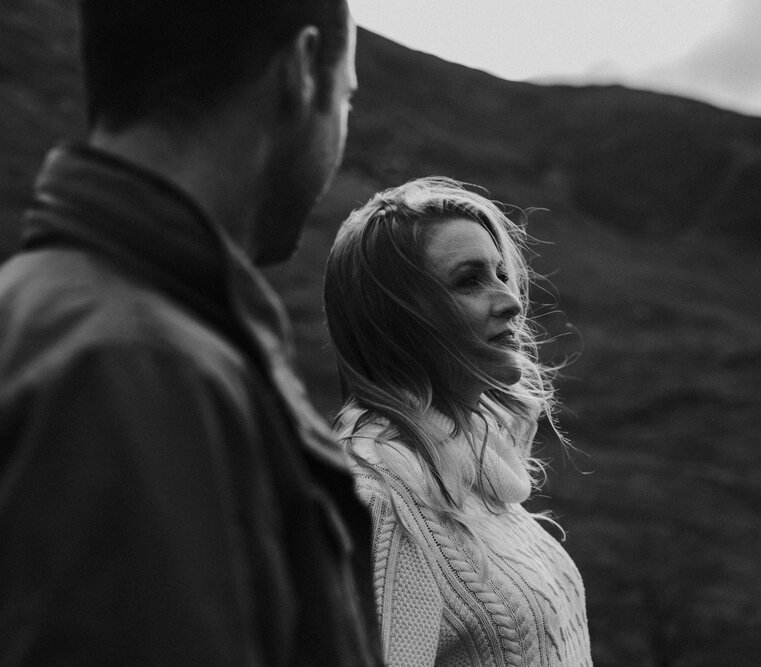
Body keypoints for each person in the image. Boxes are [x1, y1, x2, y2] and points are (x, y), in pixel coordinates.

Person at [0, 1, 382, 664]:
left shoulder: (46, 309)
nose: (341, 127)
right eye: (346, 95)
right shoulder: (137, 371)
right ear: (300, 70)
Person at [323, 177, 592, 665]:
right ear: (398, 317)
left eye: (501, 273)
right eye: (469, 279)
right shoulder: (379, 500)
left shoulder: (482, 462)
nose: (510, 300)